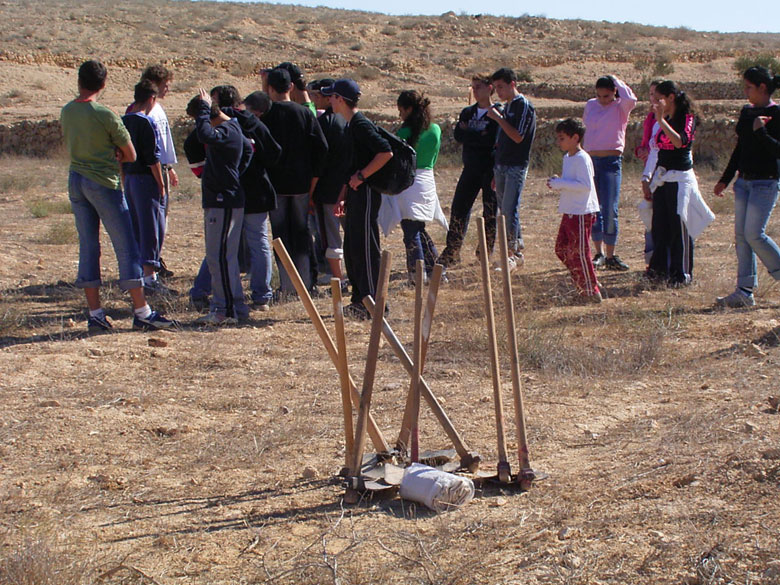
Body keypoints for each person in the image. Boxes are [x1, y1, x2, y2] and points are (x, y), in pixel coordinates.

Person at [60, 60, 175, 332]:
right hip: (103, 182)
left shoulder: (67, 111)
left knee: (88, 247)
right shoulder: (105, 114)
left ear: (79, 81)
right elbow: (131, 154)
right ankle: (142, 311)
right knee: (127, 247)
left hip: (76, 179)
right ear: (103, 83)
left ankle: (95, 314)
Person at [322, 79, 393, 320]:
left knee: (365, 247)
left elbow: (386, 152)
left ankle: (374, 302)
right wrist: (343, 194)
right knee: (353, 247)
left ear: (341, 99)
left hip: (367, 194)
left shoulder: (361, 124)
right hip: (355, 194)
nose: (329, 100)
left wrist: (362, 177)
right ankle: (360, 299)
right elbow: (351, 166)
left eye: (332, 96)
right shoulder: (351, 125)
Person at [714, 66, 780, 307]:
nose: (745, 92)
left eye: (748, 87)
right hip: (743, 182)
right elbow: (740, 148)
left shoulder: (777, 113)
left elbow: (777, 150)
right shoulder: (746, 112)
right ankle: (744, 291)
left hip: (766, 182)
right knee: (742, 237)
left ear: (762, 87)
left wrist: (761, 132)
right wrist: (726, 178)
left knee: (754, 234)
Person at [262, 68, 328, 297]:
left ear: (269, 88)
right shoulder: (304, 113)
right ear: (291, 87)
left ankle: (287, 286)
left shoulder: (266, 115)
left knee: (280, 235)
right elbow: (321, 148)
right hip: (301, 185)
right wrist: (314, 181)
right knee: (301, 233)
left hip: (275, 186)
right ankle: (306, 284)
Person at [191, 89, 253, 325]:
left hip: (222, 200)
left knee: (219, 257)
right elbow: (248, 150)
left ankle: (224, 310)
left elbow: (205, 135)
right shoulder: (234, 129)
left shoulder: (226, 130)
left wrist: (204, 109)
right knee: (225, 257)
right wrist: (233, 174)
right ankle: (234, 305)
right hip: (224, 198)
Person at [646, 81, 713, 287]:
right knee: (660, 225)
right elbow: (658, 149)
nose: (655, 103)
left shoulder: (687, 119)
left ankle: (681, 273)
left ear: (671, 98)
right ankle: (658, 270)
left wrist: (661, 122)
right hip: (663, 177)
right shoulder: (663, 119)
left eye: (659, 99)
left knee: (679, 223)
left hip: (680, 179)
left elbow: (680, 142)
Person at [381, 90, 448, 283]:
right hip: (427, 180)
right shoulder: (435, 129)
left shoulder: (404, 133)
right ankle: (436, 270)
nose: (400, 114)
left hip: (408, 182)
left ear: (408, 109)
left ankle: (417, 274)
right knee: (419, 227)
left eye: (401, 110)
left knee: (410, 230)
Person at [438, 74, 500, 268]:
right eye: (473, 87)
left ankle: (485, 253)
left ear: (490, 88)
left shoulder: (497, 113)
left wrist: (470, 133)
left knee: (490, 212)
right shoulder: (468, 112)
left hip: (490, 170)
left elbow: (491, 139)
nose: (475, 90)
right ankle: (452, 251)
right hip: (470, 168)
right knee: (459, 209)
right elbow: (459, 135)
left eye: (479, 87)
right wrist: (477, 134)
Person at [121, 79, 171, 296]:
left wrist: (124, 179)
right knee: (152, 227)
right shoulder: (145, 122)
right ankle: (150, 277)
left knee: (136, 226)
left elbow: (120, 156)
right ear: (151, 98)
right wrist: (161, 184)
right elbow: (153, 159)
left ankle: (140, 273)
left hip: (130, 178)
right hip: (145, 179)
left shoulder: (124, 120)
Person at [583, 75, 637, 271]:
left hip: (611, 161)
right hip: (591, 161)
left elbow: (631, 99)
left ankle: (611, 254)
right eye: (598, 96)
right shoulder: (591, 105)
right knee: (594, 208)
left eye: (606, 96)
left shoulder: (621, 107)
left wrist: (616, 80)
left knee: (610, 209)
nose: (602, 100)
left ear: (614, 92)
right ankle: (598, 253)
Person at [547, 119, 602, 303]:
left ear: (575, 137)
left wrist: (560, 183)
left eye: (562, 138)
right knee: (561, 249)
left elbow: (585, 185)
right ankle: (583, 279)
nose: (559, 142)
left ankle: (590, 290)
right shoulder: (568, 158)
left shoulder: (582, 158)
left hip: (581, 211)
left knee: (579, 251)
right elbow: (572, 181)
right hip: (570, 210)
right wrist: (558, 182)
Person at [487, 67, 536, 272]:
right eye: (495, 87)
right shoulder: (507, 107)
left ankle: (512, 254)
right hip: (501, 165)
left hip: (516, 165)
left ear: (512, 84)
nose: (498, 91)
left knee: (509, 210)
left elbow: (517, 136)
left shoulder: (523, 106)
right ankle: (516, 248)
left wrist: (498, 118)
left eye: (501, 87)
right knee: (505, 210)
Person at [138, 65, 178, 278]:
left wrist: (169, 168)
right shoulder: (141, 111)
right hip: (150, 171)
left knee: (162, 219)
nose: (167, 89)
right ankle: (149, 267)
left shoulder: (158, 109)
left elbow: (162, 142)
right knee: (152, 221)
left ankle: (156, 259)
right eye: (165, 85)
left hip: (161, 167)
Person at [310, 79, 349, 286]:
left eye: (319, 95)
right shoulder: (349, 120)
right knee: (351, 233)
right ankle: (354, 273)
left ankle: (338, 279)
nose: (315, 99)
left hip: (327, 192)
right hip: (348, 189)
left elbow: (318, 161)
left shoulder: (323, 123)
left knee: (331, 238)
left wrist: (311, 191)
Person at [638, 81, 663, 268]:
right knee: (649, 214)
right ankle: (651, 259)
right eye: (651, 93)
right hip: (650, 172)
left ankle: (660, 259)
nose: (652, 98)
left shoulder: (669, 119)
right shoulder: (650, 118)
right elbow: (647, 143)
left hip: (664, 173)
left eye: (656, 94)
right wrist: (642, 150)